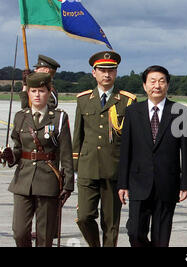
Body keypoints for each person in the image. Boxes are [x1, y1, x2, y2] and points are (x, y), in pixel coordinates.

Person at [117, 65, 187, 247]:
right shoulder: (132, 112)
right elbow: (125, 150)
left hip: (167, 184)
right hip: (138, 183)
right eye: (152, 81)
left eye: (161, 81)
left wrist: (186, 183)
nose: (157, 86)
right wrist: (122, 183)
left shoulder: (180, 112)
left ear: (167, 85)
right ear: (144, 86)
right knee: (135, 232)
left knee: (161, 238)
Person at [72, 51, 137, 247]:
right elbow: (78, 136)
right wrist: (75, 168)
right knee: (83, 217)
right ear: (94, 73)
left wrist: (130, 173)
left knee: (111, 224)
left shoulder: (126, 100)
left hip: (113, 170)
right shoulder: (83, 100)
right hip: (87, 168)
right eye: (102, 70)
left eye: (111, 70)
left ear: (116, 73)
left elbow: (132, 140)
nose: (106, 74)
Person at [1, 72, 74, 247]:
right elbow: (18, 148)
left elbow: (66, 153)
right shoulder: (21, 117)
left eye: (41, 91)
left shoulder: (58, 118)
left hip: (48, 180)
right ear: (28, 93)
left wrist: (68, 183)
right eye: (33, 91)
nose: (37, 95)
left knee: (44, 236)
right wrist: (10, 155)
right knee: (19, 232)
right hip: (23, 180)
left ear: (49, 92)